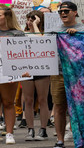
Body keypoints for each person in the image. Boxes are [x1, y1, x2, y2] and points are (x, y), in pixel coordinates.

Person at [51, 1, 84, 148]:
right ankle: (60, 140)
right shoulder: (54, 30)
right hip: (58, 73)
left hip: (79, 75)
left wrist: (78, 37)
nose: (63, 13)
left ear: (75, 12)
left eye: (66, 11)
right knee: (59, 106)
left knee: (81, 107)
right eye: (60, 12)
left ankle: (82, 139)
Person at [21, 10, 51, 141]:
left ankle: (43, 130)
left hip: (42, 70)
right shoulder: (22, 34)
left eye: (32, 20)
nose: (29, 22)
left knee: (42, 99)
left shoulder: (45, 33)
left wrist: (35, 26)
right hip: (26, 70)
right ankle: (30, 129)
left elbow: (41, 43)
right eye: (28, 20)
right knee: (28, 100)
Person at [0, 5, 24, 144]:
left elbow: (23, 56)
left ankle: (9, 133)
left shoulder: (18, 34)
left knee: (8, 102)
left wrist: (16, 74)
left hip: (8, 73)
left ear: (7, 17)